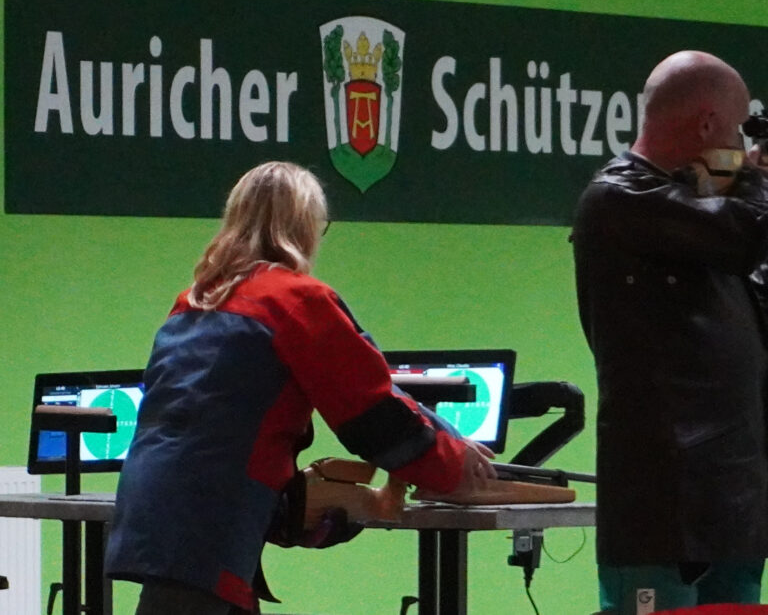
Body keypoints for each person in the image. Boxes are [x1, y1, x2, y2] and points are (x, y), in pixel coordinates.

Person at [105, 161, 496, 615]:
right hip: (212, 519)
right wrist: (452, 464)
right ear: (306, 225)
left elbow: (217, 426)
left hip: (156, 504)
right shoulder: (297, 301)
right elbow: (371, 413)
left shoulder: (198, 299)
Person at [571, 51, 768, 613]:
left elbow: (758, 312)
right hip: (662, 504)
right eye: (739, 130)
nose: (742, 145)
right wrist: (766, 178)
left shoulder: (702, 211)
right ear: (705, 124)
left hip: (733, 499)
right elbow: (743, 237)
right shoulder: (618, 197)